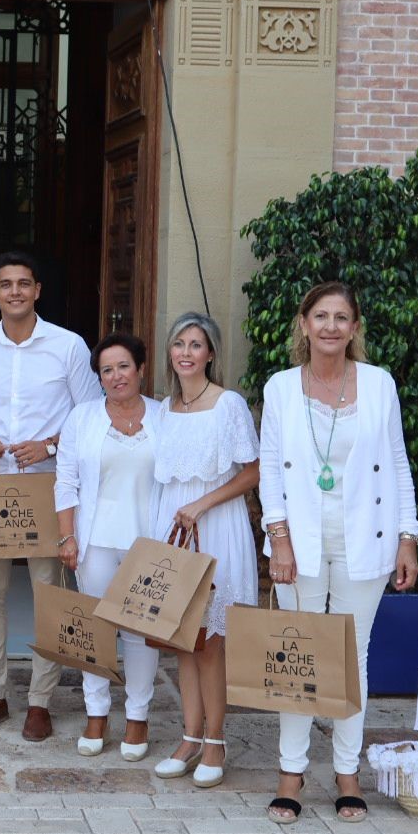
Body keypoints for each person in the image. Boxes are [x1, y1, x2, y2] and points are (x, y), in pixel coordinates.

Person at [259, 281, 418, 824]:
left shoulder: (378, 383)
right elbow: (269, 468)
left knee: (353, 658)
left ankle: (347, 772)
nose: (331, 326)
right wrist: (279, 537)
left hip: (366, 538)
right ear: (304, 325)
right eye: (321, 316)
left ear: (354, 328)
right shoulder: (281, 388)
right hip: (298, 543)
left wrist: (407, 537)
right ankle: (291, 771)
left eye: (341, 317)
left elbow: (397, 462)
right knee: (297, 657)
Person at [0, 251, 97, 742]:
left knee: (48, 595)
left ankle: (40, 701)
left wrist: (51, 445)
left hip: (48, 485)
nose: (14, 291)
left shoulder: (68, 346)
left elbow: (90, 414)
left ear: (37, 290)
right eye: (6, 284)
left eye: (23, 283)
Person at [147, 312, 259, 788]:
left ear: (210, 353)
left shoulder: (228, 404)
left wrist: (202, 504)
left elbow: (253, 471)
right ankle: (189, 737)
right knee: (182, 639)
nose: (186, 353)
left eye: (196, 344)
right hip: (174, 526)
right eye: (179, 344)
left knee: (210, 642)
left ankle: (216, 740)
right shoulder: (164, 408)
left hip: (216, 525)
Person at [54, 332, 160, 760]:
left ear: (141, 369)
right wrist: (67, 536)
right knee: (94, 629)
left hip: (147, 542)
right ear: (99, 377)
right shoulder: (82, 418)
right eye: (107, 370)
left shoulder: (164, 416)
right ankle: (96, 713)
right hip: (95, 540)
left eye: (124, 367)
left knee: (140, 634)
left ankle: (137, 717)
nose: (116, 376)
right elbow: (66, 481)